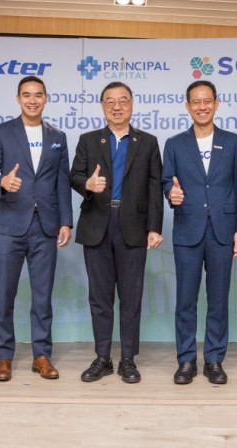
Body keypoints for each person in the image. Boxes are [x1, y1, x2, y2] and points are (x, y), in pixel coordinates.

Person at [69, 82, 163, 384]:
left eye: (122, 100)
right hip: (97, 222)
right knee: (100, 297)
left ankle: (128, 359)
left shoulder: (147, 142)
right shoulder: (88, 140)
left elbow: (154, 186)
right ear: (102, 106)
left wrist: (154, 227)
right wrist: (87, 184)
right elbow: (74, 175)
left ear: (132, 104)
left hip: (133, 226)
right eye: (110, 101)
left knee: (131, 297)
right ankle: (102, 358)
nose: (116, 107)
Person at [0, 76, 73, 382]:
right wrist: (2, 182)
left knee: (42, 296)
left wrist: (65, 221)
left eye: (38, 95)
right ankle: (3, 356)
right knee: (4, 294)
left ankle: (41, 355)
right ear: (18, 99)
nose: (32, 100)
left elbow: (61, 181)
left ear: (46, 99)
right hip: (9, 225)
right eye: (26, 95)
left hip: (45, 226)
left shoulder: (58, 136)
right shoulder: (1, 132)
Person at [161, 80, 237, 385]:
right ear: (188, 106)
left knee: (218, 300)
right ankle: (186, 360)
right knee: (185, 300)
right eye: (196, 102)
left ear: (216, 103)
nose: (202, 107)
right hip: (188, 229)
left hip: (223, 231)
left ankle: (214, 360)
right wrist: (171, 193)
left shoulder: (233, 142)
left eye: (207, 101)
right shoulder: (174, 143)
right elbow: (166, 181)